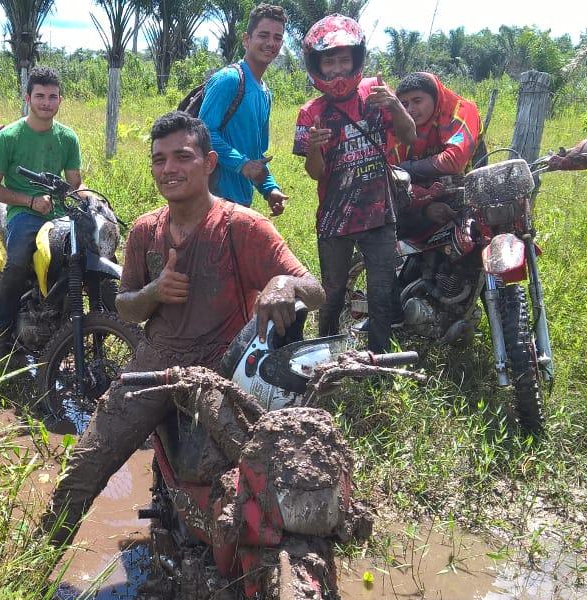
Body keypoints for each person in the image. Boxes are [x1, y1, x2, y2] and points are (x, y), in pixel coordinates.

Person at [39, 111, 325, 548]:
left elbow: (315, 289)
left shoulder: (244, 226)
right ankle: (38, 562)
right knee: (86, 464)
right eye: (159, 160)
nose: (169, 168)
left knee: (266, 468)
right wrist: (154, 291)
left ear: (209, 163)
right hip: (154, 368)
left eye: (182, 156)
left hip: (222, 375)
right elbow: (126, 308)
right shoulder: (144, 231)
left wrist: (282, 283)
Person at [292, 14, 416, 354]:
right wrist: (315, 147)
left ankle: (378, 361)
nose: (336, 70)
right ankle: (325, 356)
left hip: (379, 215)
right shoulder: (310, 113)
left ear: (356, 59)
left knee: (381, 291)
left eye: (343, 60)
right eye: (328, 61)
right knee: (332, 293)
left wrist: (395, 105)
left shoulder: (375, 96)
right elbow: (315, 173)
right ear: (316, 64)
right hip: (335, 220)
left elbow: (409, 136)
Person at [0, 66, 83, 362]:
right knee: (17, 262)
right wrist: (29, 200)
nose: (46, 103)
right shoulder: (9, 136)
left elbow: (75, 183)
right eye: (40, 96)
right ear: (28, 98)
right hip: (23, 213)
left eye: (52, 97)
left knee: (88, 254)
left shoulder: (67, 137)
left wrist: (92, 200)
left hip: (59, 214)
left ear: (60, 100)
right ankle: (1, 338)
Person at [199, 3, 290, 216]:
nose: (270, 43)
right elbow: (203, 134)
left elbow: (255, 153)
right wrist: (242, 164)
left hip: (240, 204)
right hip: (211, 200)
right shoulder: (229, 80)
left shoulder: (265, 93)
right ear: (246, 39)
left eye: (277, 38)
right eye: (263, 35)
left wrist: (270, 189)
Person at [388, 71, 482, 236]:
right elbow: (392, 177)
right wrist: (426, 208)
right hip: (421, 199)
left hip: (470, 193)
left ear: (435, 96)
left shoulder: (461, 110)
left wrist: (407, 167)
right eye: (404, 104)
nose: (410, 110)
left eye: (417, 101)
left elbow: (454, 161)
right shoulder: (400, 123)